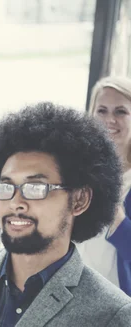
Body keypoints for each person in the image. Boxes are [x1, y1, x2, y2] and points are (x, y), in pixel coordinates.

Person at [0, 102, 131, 327]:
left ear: (79, 200)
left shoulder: (112, 314)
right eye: (6, 186)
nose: (15, 202)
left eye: (35, 188)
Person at [80, 75, 131, 296]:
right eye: (102, 110)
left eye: (120, 111)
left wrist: (116, 218)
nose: (110, 119)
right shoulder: (77, 169)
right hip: (70, 296)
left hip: (117, 303)